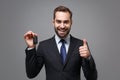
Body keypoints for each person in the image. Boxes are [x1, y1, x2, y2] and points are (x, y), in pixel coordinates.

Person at [24, 6, 97, 80]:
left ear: (71, 22)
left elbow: (92, 78)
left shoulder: (81, 45)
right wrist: (31, 47)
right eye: (59, 21)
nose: (62, 26)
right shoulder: (44, 46)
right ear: (53, 22)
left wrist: (88, 58)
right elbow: (31, 74)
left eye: (66, 22)